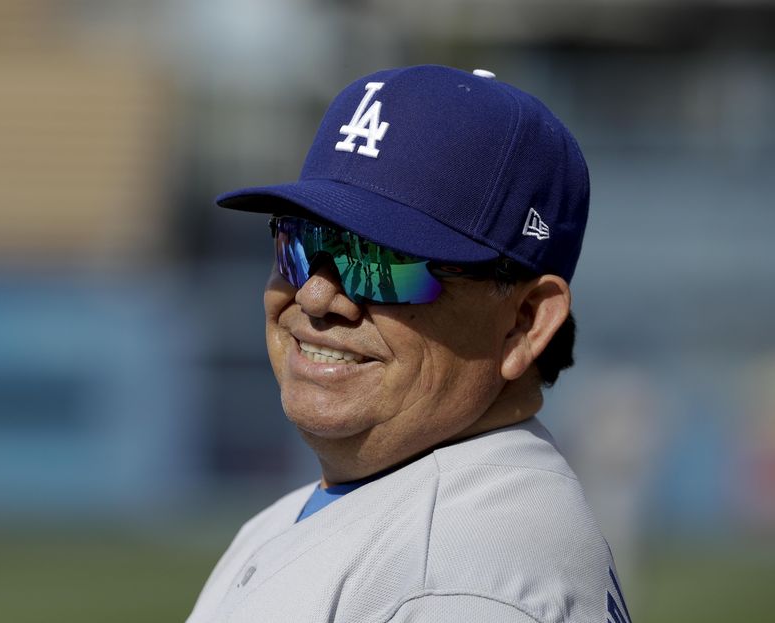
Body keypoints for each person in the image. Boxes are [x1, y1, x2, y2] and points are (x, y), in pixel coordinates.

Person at [187, 65, 631, 623]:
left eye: (382, 260)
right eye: (299, 241)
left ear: (525, 321)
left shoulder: (457, 586)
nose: (319, 294)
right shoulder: (346, 519)